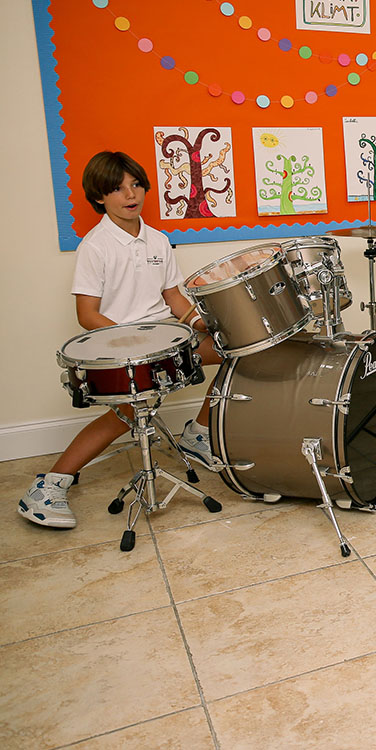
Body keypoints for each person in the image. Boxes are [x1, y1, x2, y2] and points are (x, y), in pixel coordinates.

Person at [17, 151, 222, 530]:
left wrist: (198, 322)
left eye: (136, 185)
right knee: (128, 414)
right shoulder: (95, 246)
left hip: (169, 339)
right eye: (117, 188)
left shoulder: (158, 239)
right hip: (123, 345)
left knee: (234, 351)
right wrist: (133, 342)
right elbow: (87, 315)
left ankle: (199, 433)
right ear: (99, 197)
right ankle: (47, 486)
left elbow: (172, 296)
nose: (130, 194)